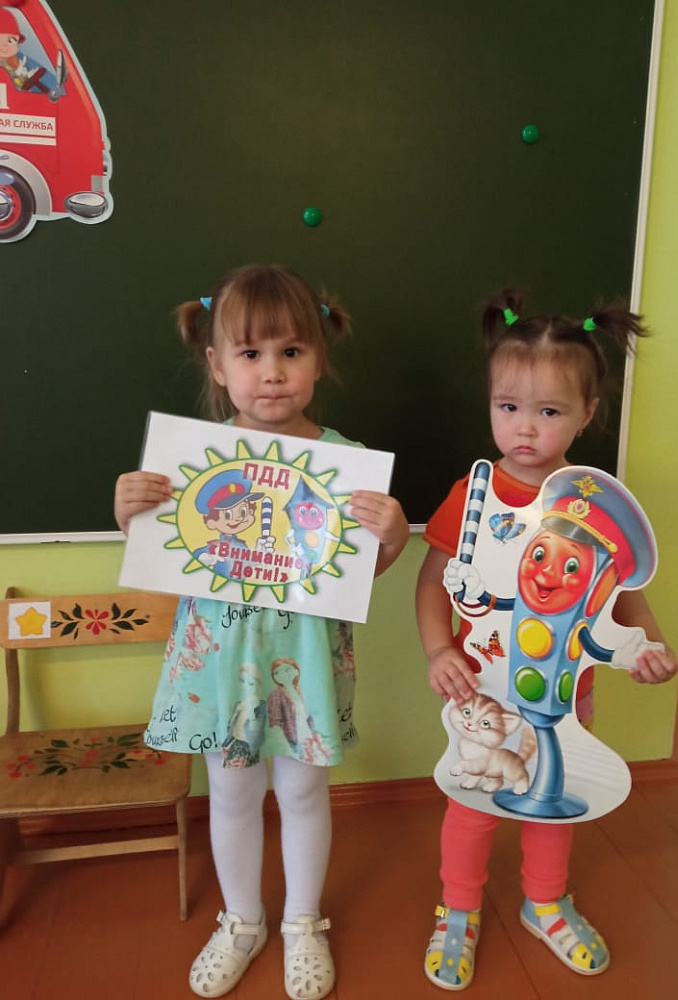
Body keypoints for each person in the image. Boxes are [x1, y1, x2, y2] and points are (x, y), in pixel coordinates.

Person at [114, 264, 409, 1000]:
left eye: (290, 352)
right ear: (217, 364)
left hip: (302, 665)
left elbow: (357, 574)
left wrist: (394, 538)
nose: (271, 372)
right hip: (220, 665)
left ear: (318, 359)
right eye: (250, 354)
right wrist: (129, 513)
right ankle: (241, 919)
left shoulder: (345, 462)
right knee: (231, 793)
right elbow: (162, 551)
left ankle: (303, 922)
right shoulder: (190, 461)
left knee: (304, 794)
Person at [416, 287, 678, 990]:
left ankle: (545, 903)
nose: (525, 428)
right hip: (481, 695)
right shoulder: (471, 498)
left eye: (549, 411)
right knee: (472, 803)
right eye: (508, 406)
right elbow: (431, 582)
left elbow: (623, 590)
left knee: (559, 797)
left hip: (565, 695)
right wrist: (439, 650)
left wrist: (649, 644)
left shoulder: (594, 506)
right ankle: (458, 909)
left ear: (587, 414)